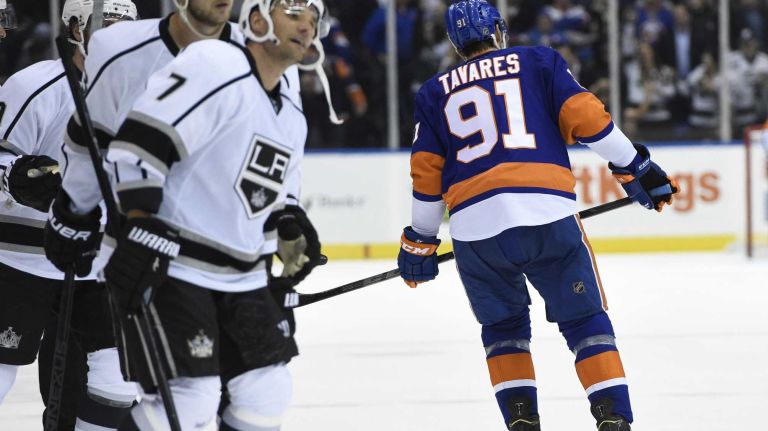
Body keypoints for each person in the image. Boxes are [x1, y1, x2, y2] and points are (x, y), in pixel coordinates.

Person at [396, 1, 678, 430]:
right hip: (546, 213)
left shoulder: (433, 92)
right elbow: (587, 118)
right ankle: (614, 420)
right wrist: (633, 167)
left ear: (456, 44)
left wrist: (421, 239)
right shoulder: (537, 60)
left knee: (503, 329)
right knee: (585, 320)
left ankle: (522, 422)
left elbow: (427, 173)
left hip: (476, 232)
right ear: (498, 32)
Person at [46, 0, 326, 429]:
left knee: (267, 393)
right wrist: (135, 226)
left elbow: (272, 185)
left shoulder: (289, 103)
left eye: (313, 18)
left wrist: (287, 223)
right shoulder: (215, 62)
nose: (306, 25)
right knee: (189, 400)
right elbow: (136, 145)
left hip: (241, 273)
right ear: (257, 19)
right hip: (175, 263)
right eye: (293, 13)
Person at [0, 2, 138, 430]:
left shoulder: (145, 94)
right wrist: (17, 175)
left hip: (94, 263)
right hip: (19, 257)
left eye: (125, 28)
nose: (117, 38)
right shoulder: (35, 85)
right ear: (76, 27)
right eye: (106, 25)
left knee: (117, 381)